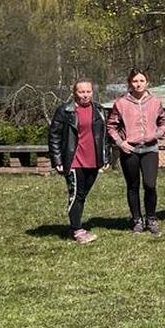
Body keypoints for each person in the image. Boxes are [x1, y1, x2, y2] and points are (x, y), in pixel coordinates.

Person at [47, 79, 110, 244]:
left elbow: (104, 137)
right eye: (82, 92)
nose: (85, 95)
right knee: (76, 194)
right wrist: (57, 159)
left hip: (93, 160)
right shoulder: (65, 110)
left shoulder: (99, 110)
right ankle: (77, 230)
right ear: (75, 92)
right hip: (73, 160)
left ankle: (74, 225)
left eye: (88, 91)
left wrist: (105, 157)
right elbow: (54, 136)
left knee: (82, 195)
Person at [107, 68, 165, 234]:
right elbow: (111, 126)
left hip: (150, 149)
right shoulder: (121, 103)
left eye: (141, 81)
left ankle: (151, 218)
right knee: (133, 186)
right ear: (130, 83)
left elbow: (164, 121)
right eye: (135, 81)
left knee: (150, 185)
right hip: (130, 150)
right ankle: (136, 220)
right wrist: (120, 143)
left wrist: (157, 134)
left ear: (147, 82)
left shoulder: (155, 102)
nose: (138, 84)